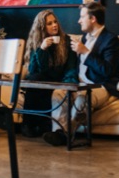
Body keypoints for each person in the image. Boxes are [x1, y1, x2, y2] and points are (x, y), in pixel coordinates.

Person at [44, 0, 119, 147]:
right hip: (79, 84)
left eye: (82, 17)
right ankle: (57, 132)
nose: (78, 21)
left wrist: (86, 52)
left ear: (93, 19)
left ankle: (65, 134)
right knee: (58, 93)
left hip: (101, 86)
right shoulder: (85, 38)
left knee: (82, 98)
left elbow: (107, 71)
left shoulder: (111, 40)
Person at [22, 9, 78, 137]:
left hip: (59, 79)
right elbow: (33, 69)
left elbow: (70, 67)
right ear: (41, 28)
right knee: (35, 79)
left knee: (36, 81)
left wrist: (68, 84)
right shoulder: (37, 43)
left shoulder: (67, 41)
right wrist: (42, 49)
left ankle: (30, 124)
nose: (54, 25)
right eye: (49, 23)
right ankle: (35, 125)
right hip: (42, 78)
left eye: (55, 22)